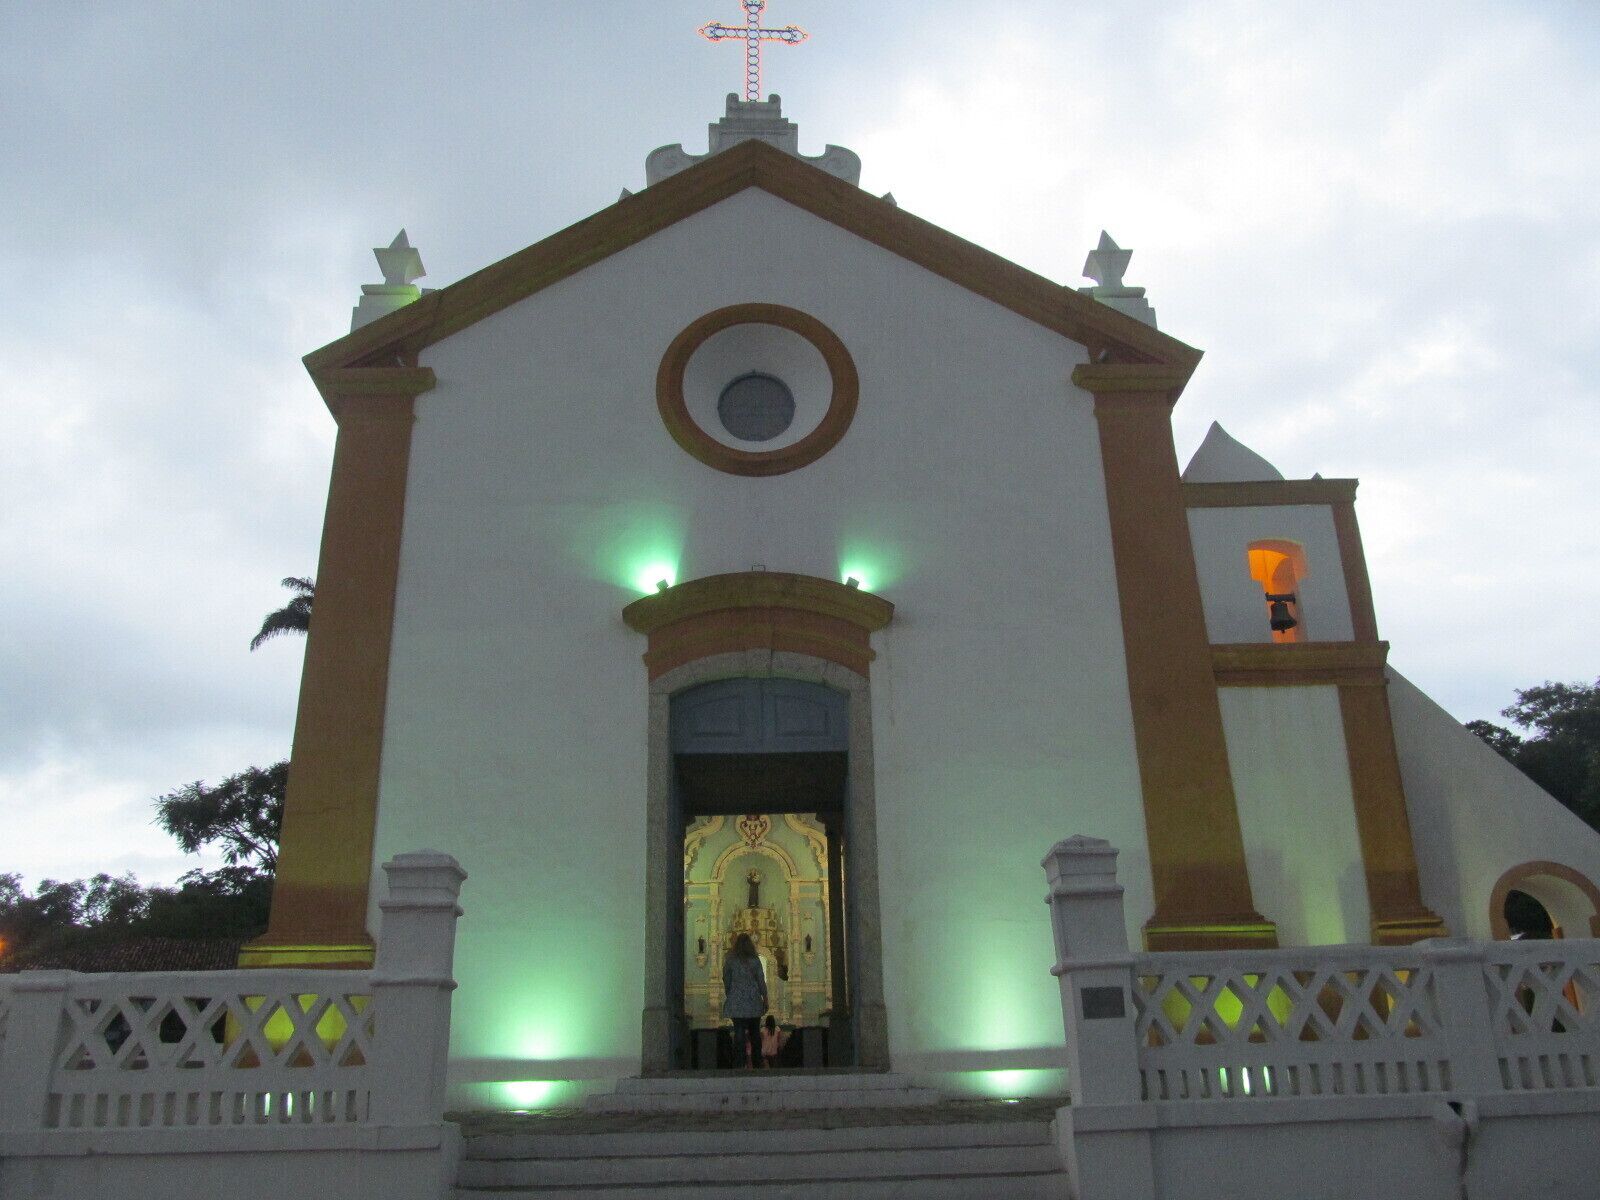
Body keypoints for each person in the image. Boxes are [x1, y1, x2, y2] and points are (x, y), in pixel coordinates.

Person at [722, 933, 767, 1068]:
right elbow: (761, 981)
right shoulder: (755, 960)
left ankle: (739, 1063)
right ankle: (757, 1062)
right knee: (755, 1034)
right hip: (753, 1002)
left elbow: (726, 979)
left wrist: (730, 993)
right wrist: (765, 998)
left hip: (737, 1002)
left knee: (739, 1034)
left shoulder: (731, 960)